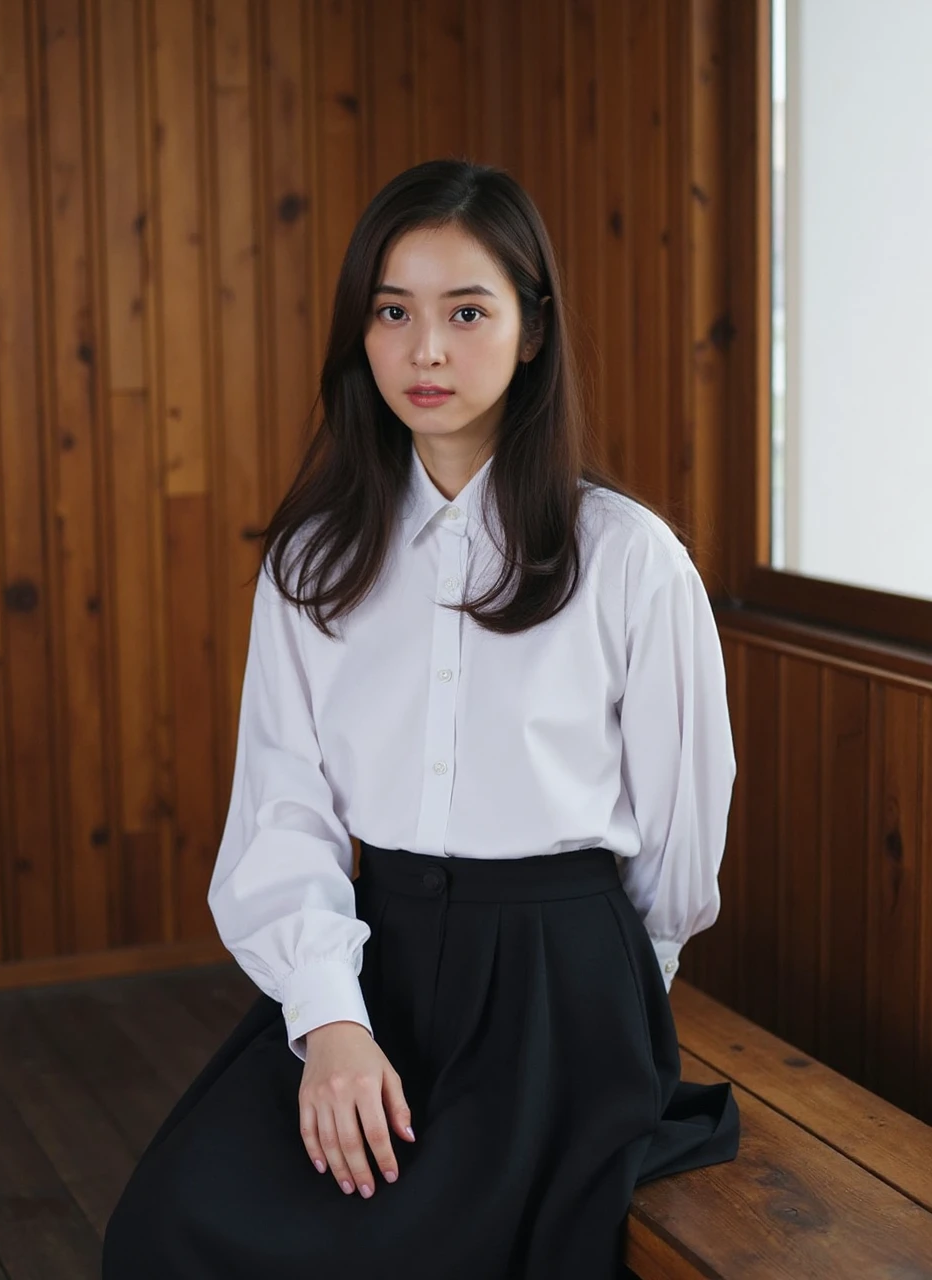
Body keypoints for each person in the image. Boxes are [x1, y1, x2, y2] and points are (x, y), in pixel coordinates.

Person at [102, 157, 740, 1280]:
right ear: (363, 330)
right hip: (374, 962)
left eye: (466, 311)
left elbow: (682, 830)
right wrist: (330, 1020)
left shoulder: (628, 558)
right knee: (172, 1223)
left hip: (563, 991)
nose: (426, 350)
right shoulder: (313, 560)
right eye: (394, 312)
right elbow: (284, 811)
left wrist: (614, 998)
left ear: (532, 330)